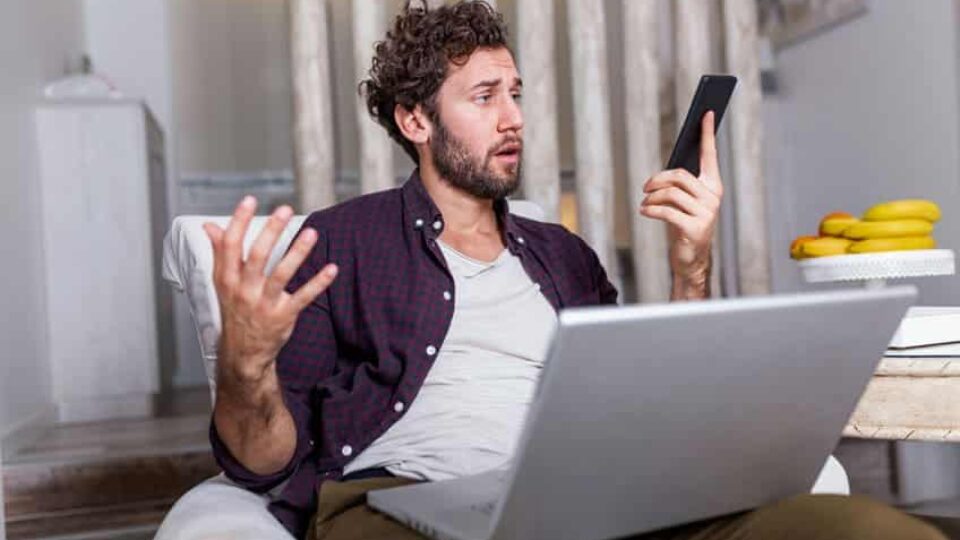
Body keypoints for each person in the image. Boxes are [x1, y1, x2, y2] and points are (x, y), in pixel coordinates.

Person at [202, 2, 946, 539]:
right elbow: (263, 464)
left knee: (872, 532)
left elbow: (661, 408)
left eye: (516, 94)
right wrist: (247, 362)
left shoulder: (565, 256)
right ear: (415, 120)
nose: (514, 118)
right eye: (485, 97)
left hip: (600, 500)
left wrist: (692, 268)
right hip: (408, 507)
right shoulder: (336, 244)